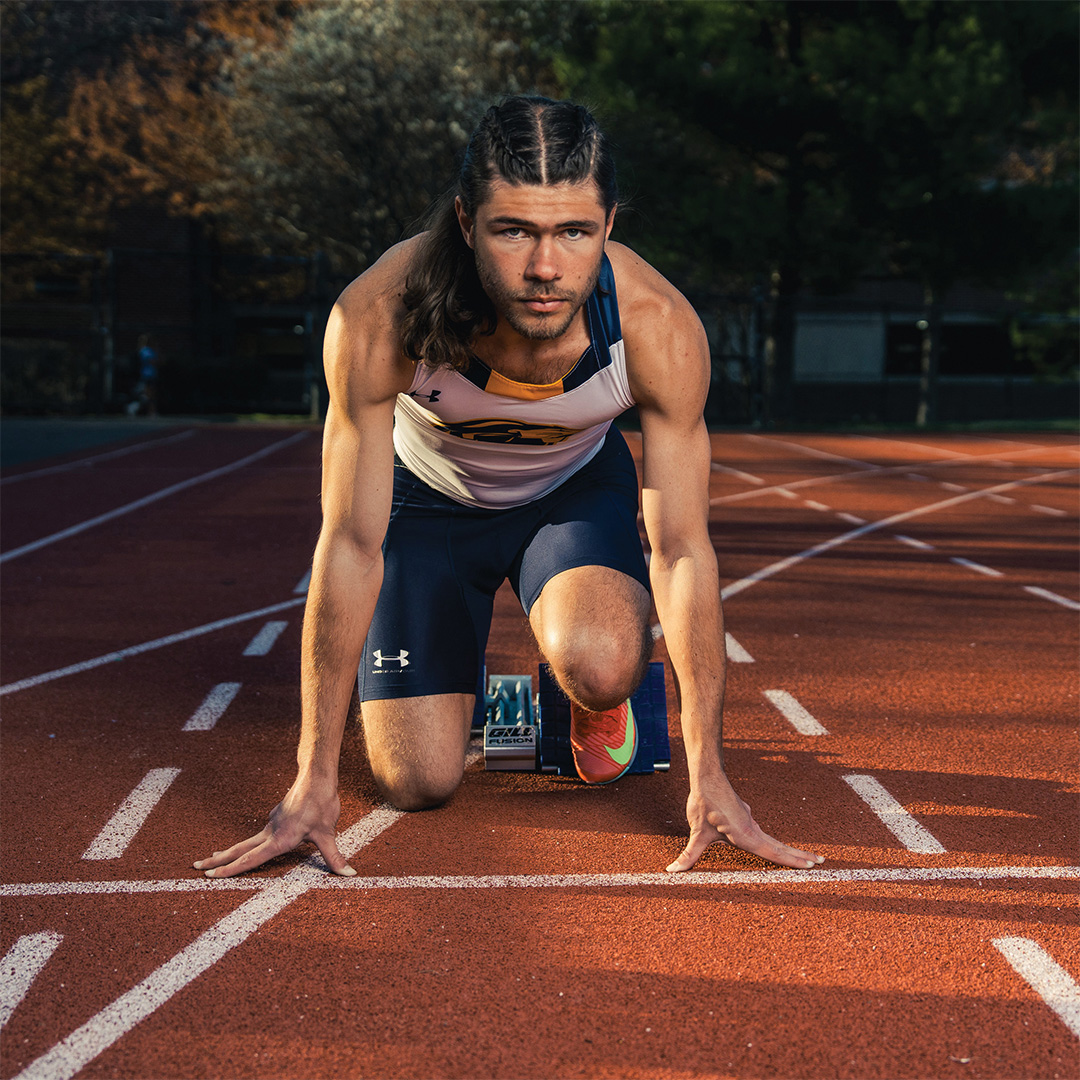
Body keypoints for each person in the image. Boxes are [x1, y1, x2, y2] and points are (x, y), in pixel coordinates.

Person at [195, 96, 823, 879]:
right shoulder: (379, 316)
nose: (545, 268)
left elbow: (683, 550)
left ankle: (591, 696)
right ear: (466, 222)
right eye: (514, 230)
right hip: (424, 507)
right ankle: (489, 697)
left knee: (603, 665)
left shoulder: (656, 326)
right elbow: (350, 542)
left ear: (609, 224)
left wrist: (711, 777)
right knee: (416, 782)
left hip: (569, 497)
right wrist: (311, 779)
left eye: (575, 232)